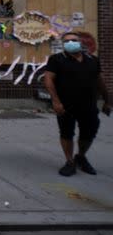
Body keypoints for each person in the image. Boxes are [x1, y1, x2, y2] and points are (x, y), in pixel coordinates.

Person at [43, 32, 110, 176]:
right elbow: (48, 79)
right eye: (66, 41)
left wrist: (107, 101)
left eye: (73, 40)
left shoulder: (92, 60)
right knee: (67, 133)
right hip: (66, 105)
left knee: (89, 132)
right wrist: (55, 101)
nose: (70, 43)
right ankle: (69, 161)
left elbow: (100, 81)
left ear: (80, 43)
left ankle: (81, 156)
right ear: (63, 45)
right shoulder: (57, 59)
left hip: (89, 105)